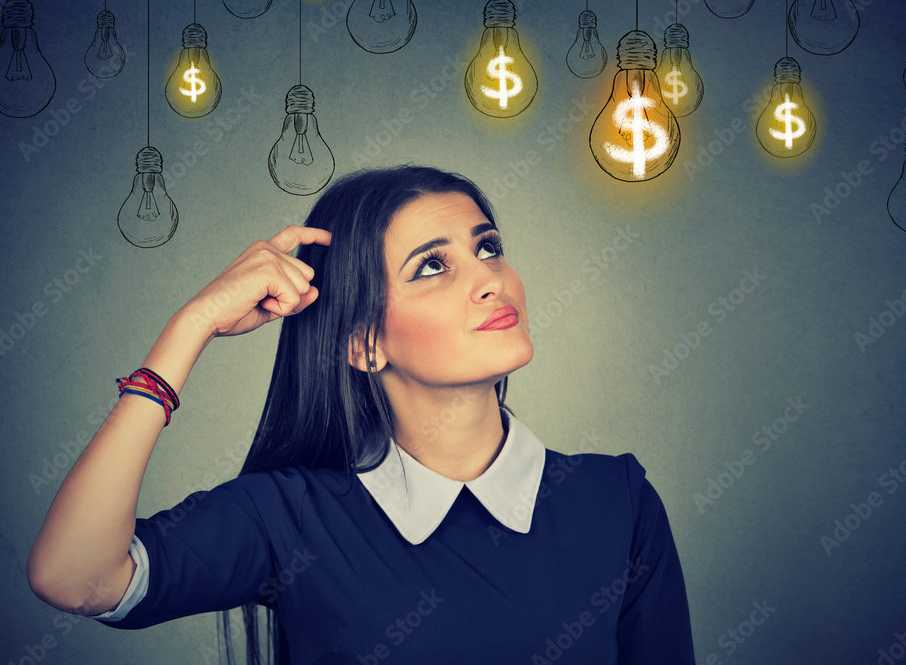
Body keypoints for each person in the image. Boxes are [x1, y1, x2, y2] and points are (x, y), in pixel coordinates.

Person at [26, 165, 696, 664]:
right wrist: (191, 324)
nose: (490, 278)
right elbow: (73, 576)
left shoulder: (616, 500)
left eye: (486, 245)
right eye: (432, 265)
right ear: (363, 342)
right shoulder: (287, 517)